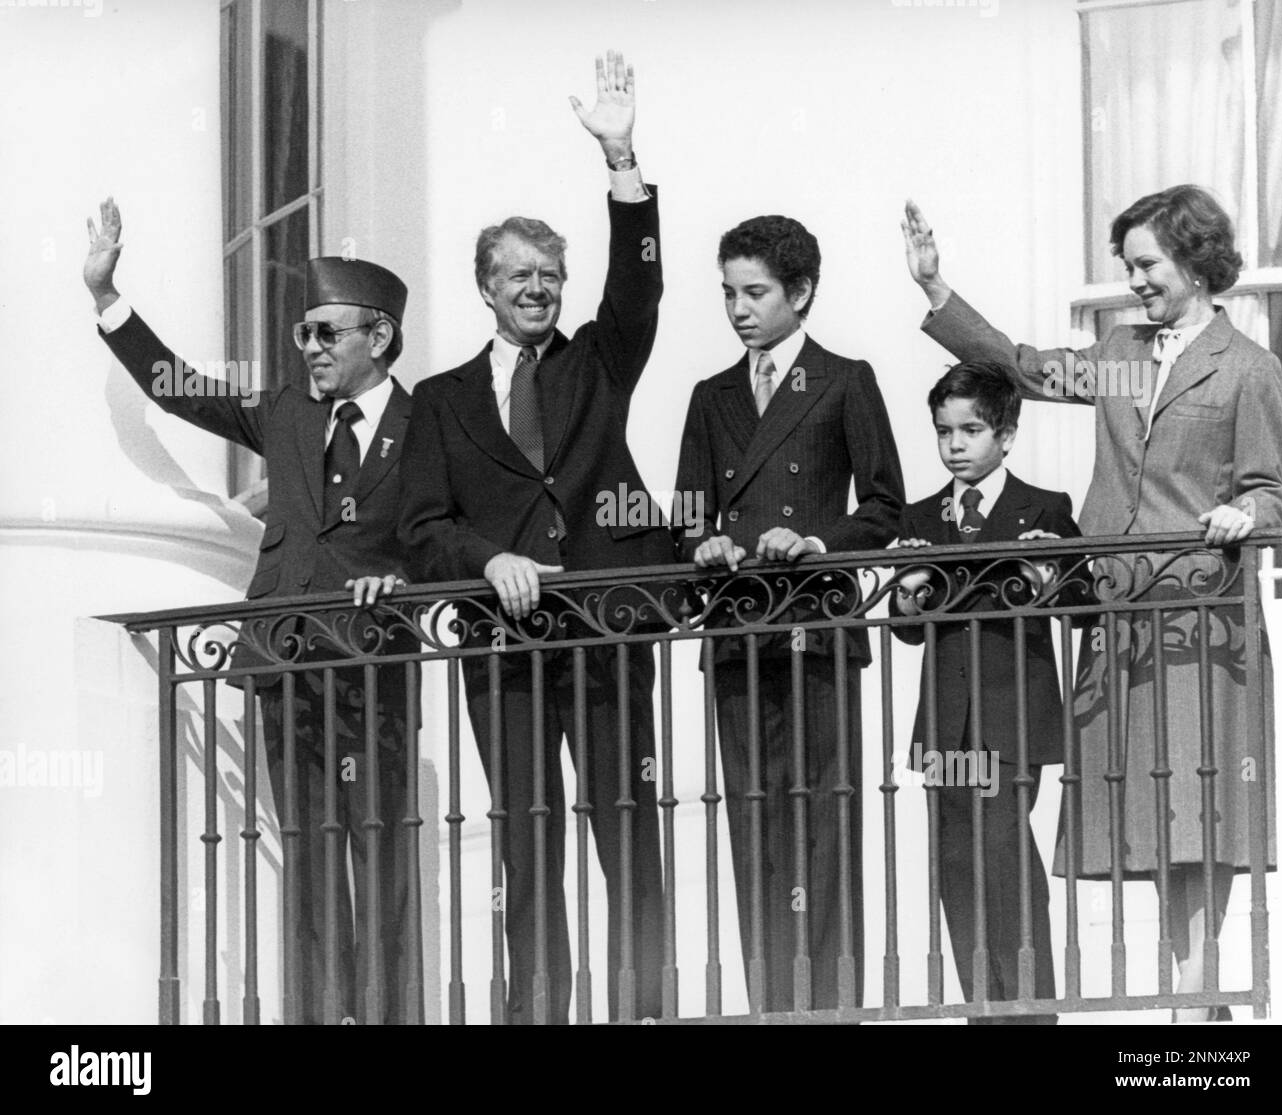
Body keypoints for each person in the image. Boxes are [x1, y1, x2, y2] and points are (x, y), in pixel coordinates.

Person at [902, 185, 1282, 1021]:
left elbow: (1271, 492)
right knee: (1147, 814)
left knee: (1201, 809)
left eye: (1147, 263)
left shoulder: (1251, 366)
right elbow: (1022, 366)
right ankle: (1197, 993)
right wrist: (937, 290)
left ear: (1194, 259)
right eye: (1129, 266)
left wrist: (1240, 513)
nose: (1136, 279)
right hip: (1120, 621)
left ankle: (1194, 1000)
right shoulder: (1120, 349)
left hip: (1200, 619)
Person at [83, 199, 419, 1024]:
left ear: (377, 337)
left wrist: (409, 581)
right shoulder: (287, 413)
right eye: (302, 333)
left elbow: (448, 529)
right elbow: (183, 393)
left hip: (375, 668)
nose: (308, 347)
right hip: (284, 662)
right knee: (305, 852)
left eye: (325, 333)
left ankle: (384, 1014)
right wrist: (107, 298)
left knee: (382, 854)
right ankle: (316, 1014)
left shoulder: (429, 422)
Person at [397, 51, 670, 1025]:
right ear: (484, 286)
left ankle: (645, 1011)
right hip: (503, 644)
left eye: (550, 275)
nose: (538, 289)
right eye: (519, 275)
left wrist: (622, 160)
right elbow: (423, 528)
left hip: (605, 628)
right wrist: (489, 559)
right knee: (528, 841)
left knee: (627, 829)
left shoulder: (597, 359)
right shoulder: (439, 402)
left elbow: (637, 290)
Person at [672, 214, 904, 1013]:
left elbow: (883, 508)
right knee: (755, 831)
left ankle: (834, 1011)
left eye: (756, 292)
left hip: (818, 630)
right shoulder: (711, 396)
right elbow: (688, 514)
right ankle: (774, 1007)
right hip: (738, 633)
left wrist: (814, 538)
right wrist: (703, 546)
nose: (738, 308)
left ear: (801, 292)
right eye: (729, 293)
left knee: (827, 828)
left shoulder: (846, 379)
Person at [891, 360, 1082, 1023]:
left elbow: (1081, 605)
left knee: (1002, 854)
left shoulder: (1045, 508)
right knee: (956, 861)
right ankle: (985, 1011)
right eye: (945, 432)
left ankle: (1029, 1011)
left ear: (1006, 432)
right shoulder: (921, 514)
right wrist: (909, 591)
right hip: (945, 722)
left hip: (1012, 719)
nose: (956, 445)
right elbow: (907, 630)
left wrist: (1051, 569)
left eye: (971, 429)